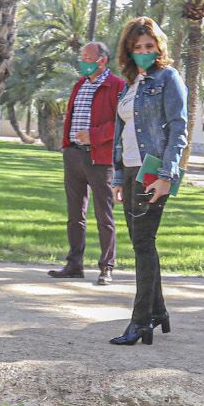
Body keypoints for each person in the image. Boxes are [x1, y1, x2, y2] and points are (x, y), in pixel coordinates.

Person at [106, 17, 188, 346]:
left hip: (151, 172)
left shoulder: (168, 78)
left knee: (143, 244)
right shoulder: (130, 85)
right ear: (129, 51)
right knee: (143, 243)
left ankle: (140, 321)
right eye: (137, 47)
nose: (143, 52)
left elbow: (178, 128)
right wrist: (117, 177)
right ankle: (158, 312)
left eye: (149, 47)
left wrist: (166, 176)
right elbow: (120, 133)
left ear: (159, 48)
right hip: (129, 171)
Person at [49, 41, 124, 285]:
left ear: (102, 60)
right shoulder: (80, 84)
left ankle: (106, 267)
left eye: (87, 57)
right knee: (74, 213)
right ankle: (74, 264)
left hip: (100, 158)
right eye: (81, 56)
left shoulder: (117, 86)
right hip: (73, 155)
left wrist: (95, 135)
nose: (82, 61)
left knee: (104, 214)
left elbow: (121, 124)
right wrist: (68, 146)